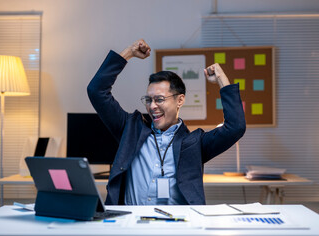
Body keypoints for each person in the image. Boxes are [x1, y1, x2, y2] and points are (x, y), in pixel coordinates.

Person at [87, 39, 246, 205]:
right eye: (148, 100)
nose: (152, 106)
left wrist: (222, 80)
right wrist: (128, 53)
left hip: (176, 227)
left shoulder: (194, 143)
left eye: (159, 99)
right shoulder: (131, 130)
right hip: (133, 225)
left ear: (180, 100)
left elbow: (235, 127)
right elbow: (96, 91)